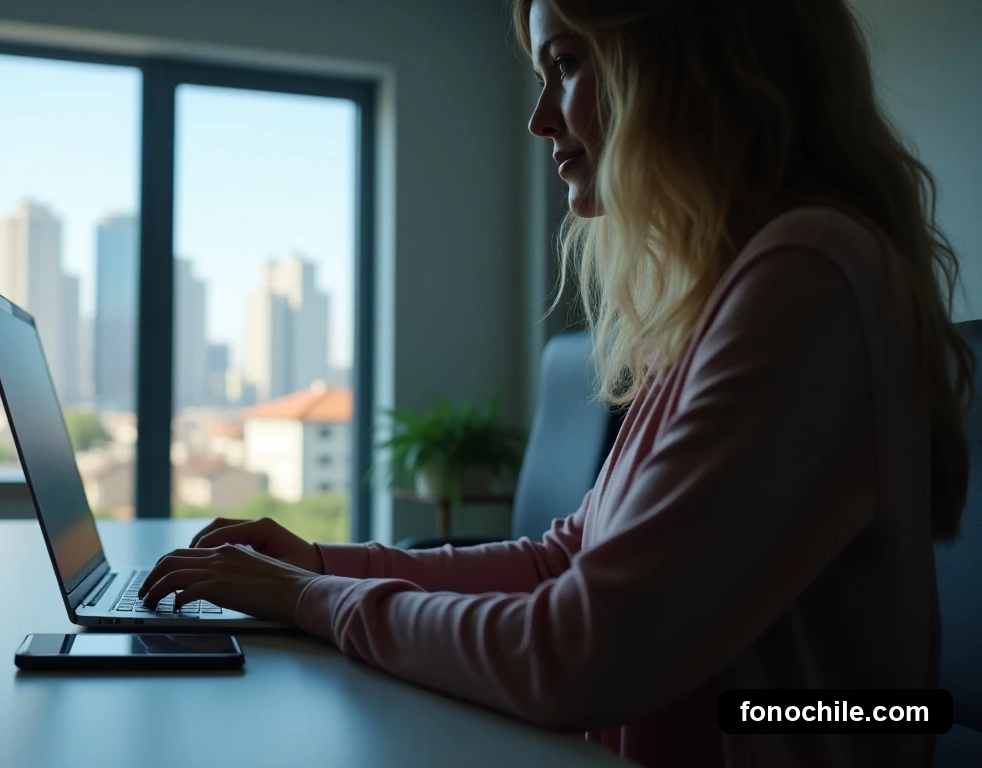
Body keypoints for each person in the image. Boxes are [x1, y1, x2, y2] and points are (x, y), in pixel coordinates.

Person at [139, 0, 973, 764]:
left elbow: (584, 650)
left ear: (689, 62)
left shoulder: (807, 277)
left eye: (567, 65)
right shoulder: (739, 286)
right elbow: (566, 558)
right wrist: (322, 563)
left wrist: (313, 599)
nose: (540, 120)